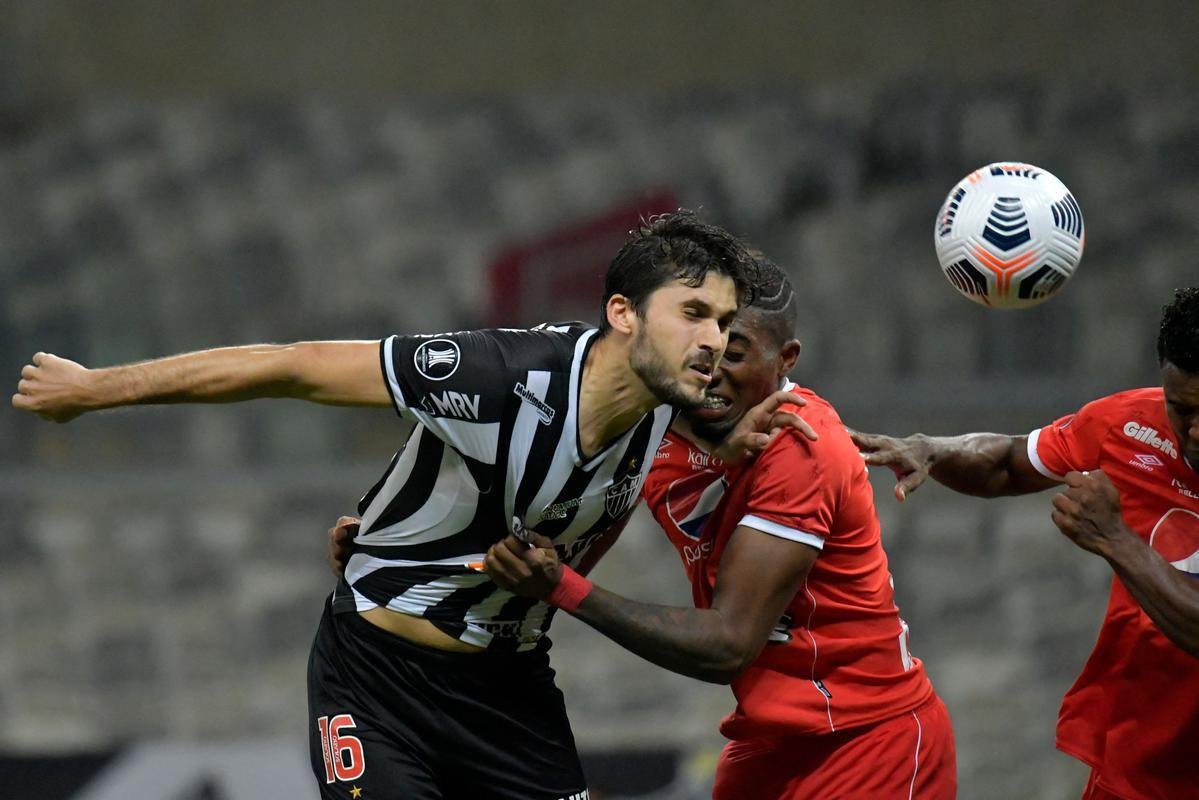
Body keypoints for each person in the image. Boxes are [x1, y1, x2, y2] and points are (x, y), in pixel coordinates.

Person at [12, 210, 813, 800]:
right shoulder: (496, 377)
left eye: (721, 322)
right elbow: (292, 366)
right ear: (622, 314)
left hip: (509, 688)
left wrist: (840, 439)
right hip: (378, 678)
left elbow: (766, 411)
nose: (712, 340)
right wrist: (93, 389)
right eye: (693, 314)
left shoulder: (675, 405)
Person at [400, 257, 956, 799]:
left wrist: (562, 587)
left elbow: (728, 644)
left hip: (866, 738)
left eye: (734, 353)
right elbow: (562, 526)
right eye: (702, 347)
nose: (711, 368)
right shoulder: (655, 424)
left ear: (785, 359)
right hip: (768, 741)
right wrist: (398, 535)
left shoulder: (800, 443)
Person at [849, 287, 1199, 800]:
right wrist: (932, 449)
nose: (1195, 432)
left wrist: (1115, 540)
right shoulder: (1129, 425)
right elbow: (1009, 463)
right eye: (1181, 408)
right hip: (1138, 766)